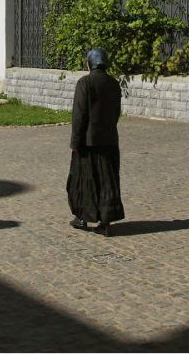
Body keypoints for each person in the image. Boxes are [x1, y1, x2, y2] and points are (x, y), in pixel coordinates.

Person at [67, 48, 125, 237]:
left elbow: (79, 114)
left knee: (84, 181)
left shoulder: (85, 83)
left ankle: (82, 217)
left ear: (89, 63)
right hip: (109, 139)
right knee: (107, 181)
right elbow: (116, 112)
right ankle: (106, 221)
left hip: (88, 142)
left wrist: (75, 141)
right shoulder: (114, 83)